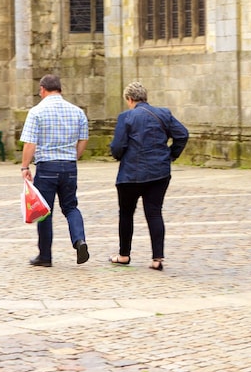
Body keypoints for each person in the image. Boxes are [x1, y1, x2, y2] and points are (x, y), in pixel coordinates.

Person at [108, 82, 189, 271]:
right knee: (154, 212)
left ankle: (124, 254)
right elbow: (182, 134)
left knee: (126, 213)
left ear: (129, 99)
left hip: (130, 174)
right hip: (159, 172)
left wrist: (119, 156)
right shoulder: (164, 114)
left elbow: (117, 146)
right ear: (145, 97)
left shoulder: (126, 117)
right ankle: (157, 258)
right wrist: (170, 155)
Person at [20, 74, 91, 267]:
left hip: (47, 167)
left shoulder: (36, 111)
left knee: (44, 211)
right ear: (60, 89)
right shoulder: (77, 112)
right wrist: (74, 157)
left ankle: (45, 256)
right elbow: (83, 139)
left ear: (42, 89)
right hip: (69, 165)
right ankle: (79, 241)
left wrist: (25, 166)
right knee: (70, 207)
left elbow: (30, 143)